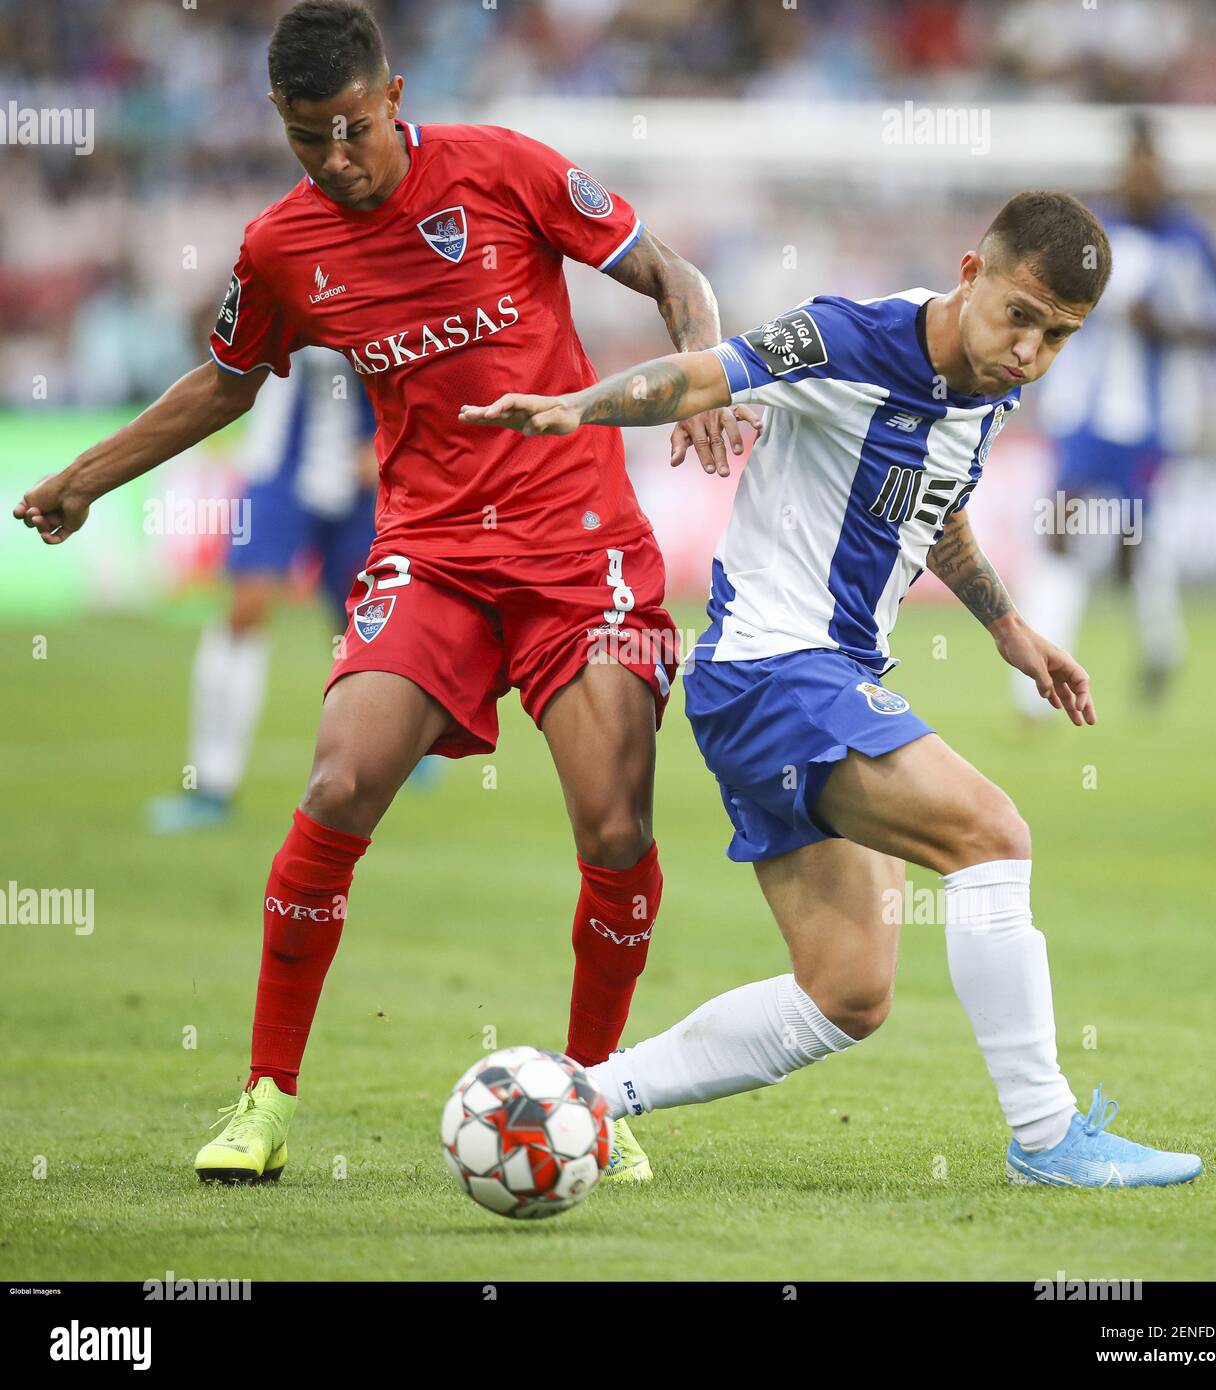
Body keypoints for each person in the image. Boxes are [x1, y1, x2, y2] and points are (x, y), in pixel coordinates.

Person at [14, 0, 757, 1186]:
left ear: (394, 96)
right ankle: (264, 1097)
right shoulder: (280, 248)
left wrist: (708, 380)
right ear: (282, 123)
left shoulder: (506, 172)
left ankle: (589, 1100)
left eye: (355, 127)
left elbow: (673, 271)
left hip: (579, 558)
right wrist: (84, 478)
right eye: (311, 138)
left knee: (614, 826)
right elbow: (222, 385)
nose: (339, 157)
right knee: (340, 779)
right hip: (434, 553)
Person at [461, 190, 1203, 1187]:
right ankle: (1047, 1135)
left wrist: (1010, 627)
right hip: (776, 672)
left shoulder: (988, 383)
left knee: (847, 991)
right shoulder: (846, 338)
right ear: (972, 272)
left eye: (1059, 336)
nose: (1029, 350)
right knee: (994, 834)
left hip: (816, 680)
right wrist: (578, 409)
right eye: (1020, 317)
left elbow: (932, 503)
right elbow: (701, 375)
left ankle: (583, 1095)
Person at [1012, 116, 1216, 715]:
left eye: (1149, 166)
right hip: (1082, 414)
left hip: (1151, 422)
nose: (1140, 177)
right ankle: (1034, 693)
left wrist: (1167, 326)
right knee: (1059, 530)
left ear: (1161, 171)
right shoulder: (1094, 236)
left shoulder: (1190, 242)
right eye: (1131, 166)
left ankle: (1160, 647)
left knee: (1132, 545)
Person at [147, 348, 380, 834]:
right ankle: (212, 784)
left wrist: (391, 439)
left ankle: (406, 739)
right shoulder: (285, 274)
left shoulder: (395, 283)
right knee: (243, 613)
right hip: (278, 470)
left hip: (365, 476)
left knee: (370, 622)